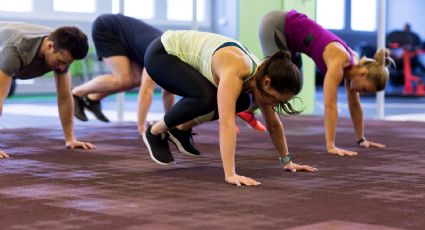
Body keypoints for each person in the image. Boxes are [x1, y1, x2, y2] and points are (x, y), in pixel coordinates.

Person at [142, 30, 317, 186]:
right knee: (206, 97)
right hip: (162, 54)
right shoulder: (237, 68)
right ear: (266, 82)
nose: (273, 105)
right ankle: (155, 131)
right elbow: (226, 124)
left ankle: (180, 130)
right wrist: (230, 174)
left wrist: (287, 161)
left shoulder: (263, 76)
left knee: (242, 102)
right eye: (274, 99)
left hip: (178, 58)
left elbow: (273, 123)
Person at [258, 10, 394, 156]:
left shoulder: (354, 66)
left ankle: (248, 108)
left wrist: (361, 139)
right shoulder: (340, 60)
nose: (361, 92)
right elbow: (330, 105)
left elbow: (355, 105)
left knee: (293, 87)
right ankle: (245, 103)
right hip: (276, 25)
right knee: (278, 83)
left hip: (291, 41)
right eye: (365, 89)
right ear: (363, 73)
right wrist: (331, 145)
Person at [0, 23, 96, 159]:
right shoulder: (15, 50)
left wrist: (70, 138)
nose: (62, 68)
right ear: (50, 46)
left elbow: (64, 97)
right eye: (61, 61)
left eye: (67, 63)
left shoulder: (61, 48)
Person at [71, 14, 174, 133]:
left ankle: (92, 99)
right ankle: (75, 93)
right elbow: (146, 92)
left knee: (135, 80)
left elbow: (168, 92)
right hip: (108, 27)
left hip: (129, 39)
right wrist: (141, 128)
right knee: (124, 79)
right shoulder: (160, 56)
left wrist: (170, 124)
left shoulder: (172, 62)